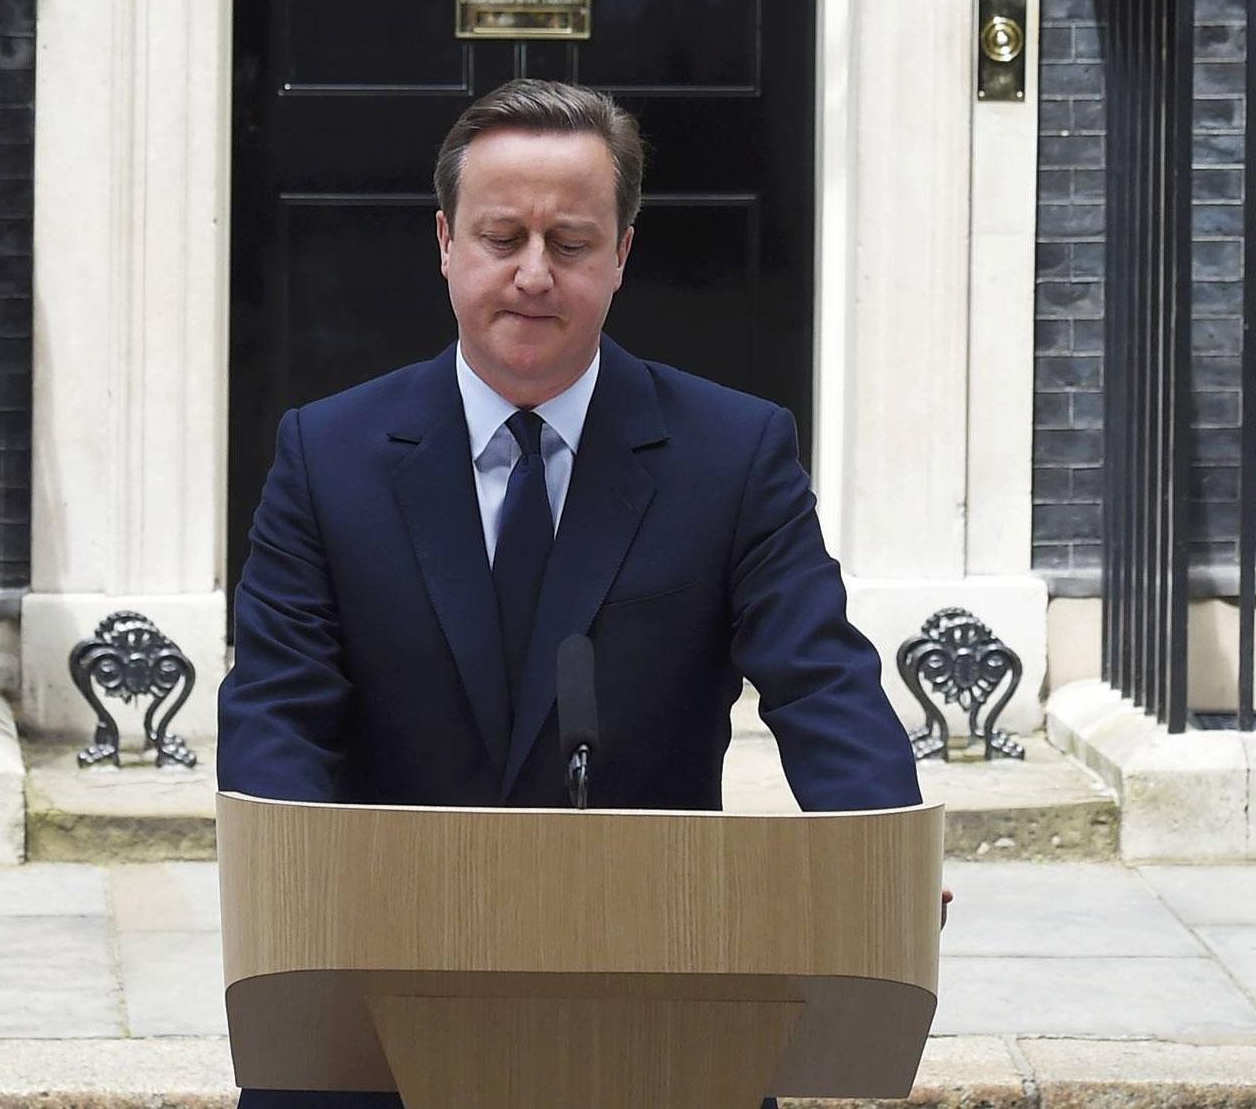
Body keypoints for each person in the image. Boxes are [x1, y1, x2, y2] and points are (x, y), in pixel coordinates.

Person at [218, 78, 926, 1109]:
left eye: (573, 243)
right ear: (445, 242)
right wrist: (290, 904)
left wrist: (881, 859)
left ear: (624, 253)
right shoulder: (327, 456)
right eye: (501, 237)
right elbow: (278, 712)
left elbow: (821, 680)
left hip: (650, 997)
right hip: (377, 998)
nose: (533, 276)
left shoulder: (731, 454)